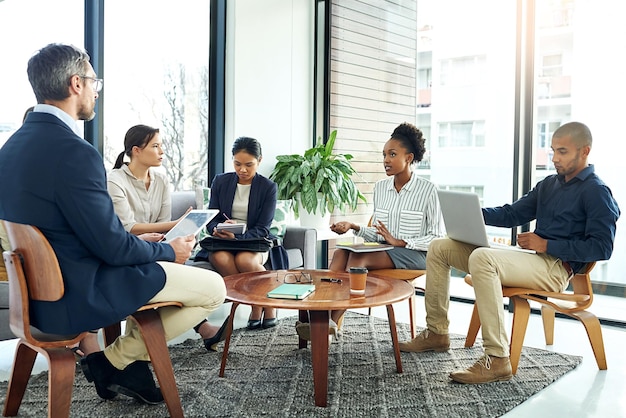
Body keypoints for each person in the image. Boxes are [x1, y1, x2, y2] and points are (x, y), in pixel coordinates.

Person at [0, 43, 227, 405]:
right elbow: (113, 247)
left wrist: (148, 245)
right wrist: (169, 249)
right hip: (80, 293)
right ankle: (111, 362)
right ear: (76, 84)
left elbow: (78, 231)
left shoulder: (9, 150)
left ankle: (127, 369)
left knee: (150, 263)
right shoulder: (75, 152)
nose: (95, 91)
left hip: (33, 298)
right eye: (94, 83)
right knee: (213, 288)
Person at [399, 121, 621, 384]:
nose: (554, 159)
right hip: (531, 260)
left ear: (584, 152)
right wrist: (474, 214)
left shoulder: (596, 191)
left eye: (562, 152)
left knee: (483, 258)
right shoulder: (549, 184)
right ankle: (437, 333)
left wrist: (546, 245)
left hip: (556, 269)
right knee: (440, 247)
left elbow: (602, 247)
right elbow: (513, 213)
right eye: (552, 151)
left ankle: (497, 359)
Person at [295, 122, 445, 340]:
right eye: (384, 154)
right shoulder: (381, 188)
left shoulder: (428, 190)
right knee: (340, 253)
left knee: (359, 260)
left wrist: (401, 242)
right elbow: (378, 234)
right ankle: (324, 318)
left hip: (417, 255)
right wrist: (353, 227)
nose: (386, 160)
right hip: (385, 251)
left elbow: (437, 238)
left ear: (409, 158)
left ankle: (328, 323)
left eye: (392, 154)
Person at [195, 137, 278, 329]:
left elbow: (263, 228)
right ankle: (257, 303)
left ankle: (259, 307)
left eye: (249, 165)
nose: (242, 170)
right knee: (221, 259)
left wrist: (239, 236)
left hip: (253, 241)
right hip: (224, 241)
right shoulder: (221, 181)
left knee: (246, 261)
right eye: (237, 164)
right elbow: (211, 218)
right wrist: (219, 228)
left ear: (260, 160)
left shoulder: (268, 187)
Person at [107, 124, 192, 235]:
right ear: (136, 150)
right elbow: (127, 226)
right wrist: (178, 223)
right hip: (127, 246)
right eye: (155, 146)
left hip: (156, 244)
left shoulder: (162, 181)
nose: (161, 151)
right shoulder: (114, 181)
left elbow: (163, 224)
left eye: (161, 146)